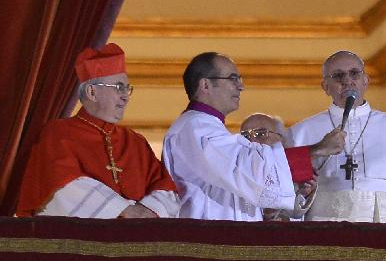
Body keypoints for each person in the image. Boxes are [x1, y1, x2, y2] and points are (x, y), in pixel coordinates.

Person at [163, 52, 345, 221]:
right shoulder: (195, 128)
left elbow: (242, 185)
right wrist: (317, 149)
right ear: (205, 85)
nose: (240, 86)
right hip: (209, 241)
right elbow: (246, 169)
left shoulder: (207, 127)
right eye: (232, 78)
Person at [16, 43, 178, 218]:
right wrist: (123, 210)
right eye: (118, 88)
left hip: (136, 239)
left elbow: (165, 187)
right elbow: (62, 186)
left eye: (127, 89)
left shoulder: (135, 141)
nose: (125, 96)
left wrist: (149, 211)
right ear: (92, 92)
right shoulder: (58, 133)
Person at [290, 50, 386, 222]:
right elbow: (288, 201)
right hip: (326, 231)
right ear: (326, 87)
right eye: (338, 76)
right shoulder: (302, 132)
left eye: (354, 73)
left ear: (365, 81)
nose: (347, 81)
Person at [239, 113, 315, 221]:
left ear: (280, 139)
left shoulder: (298, 170)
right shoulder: (235, 172)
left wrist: (304, 194)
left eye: (261, 134)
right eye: (245, 136)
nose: (252, 141)